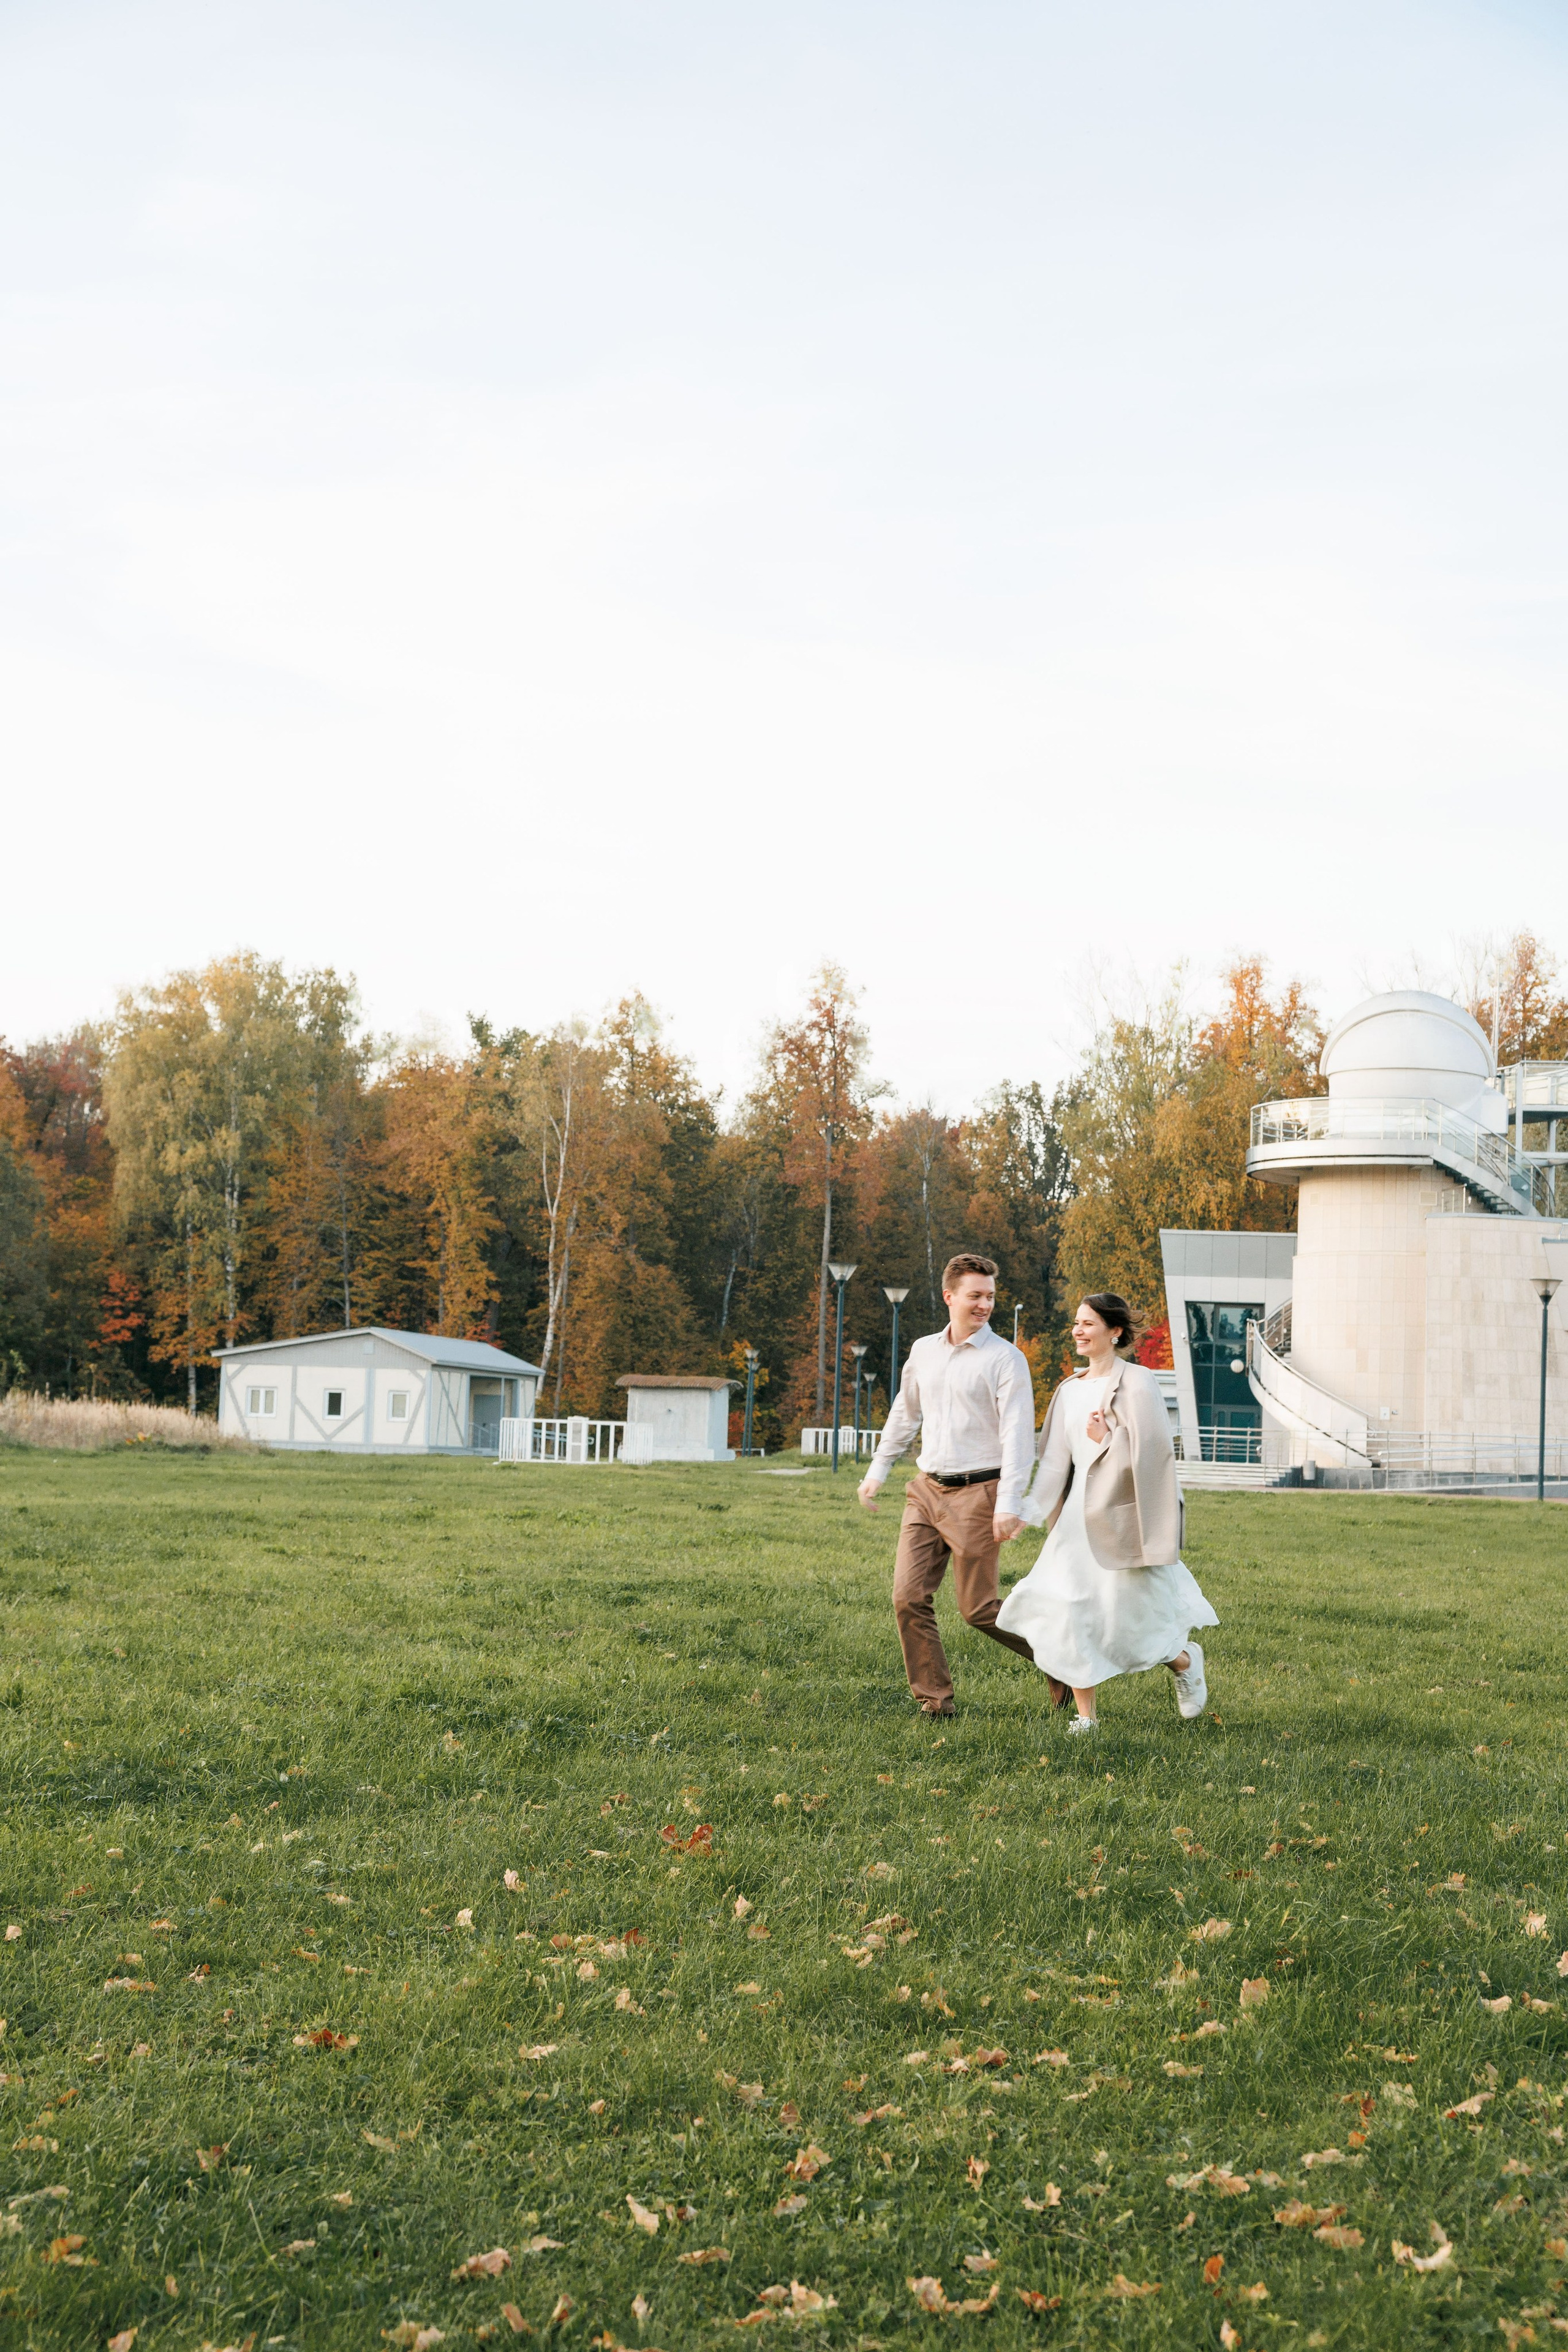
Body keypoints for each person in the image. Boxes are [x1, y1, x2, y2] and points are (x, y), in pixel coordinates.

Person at [997, 1292, 1216, 1735]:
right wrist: (1028, 1512)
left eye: (1088, 1323)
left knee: (1134, 1617)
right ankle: (1087, 1718)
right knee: (1069, 1609)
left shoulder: (1138, 1382)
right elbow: (1056, 1463)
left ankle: (1186, 1662)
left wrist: (1105, 1440)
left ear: (1114, 1332)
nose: (1078, 1331)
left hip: (1122, 1518)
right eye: (1076, 1323)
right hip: (1076, 1521)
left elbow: (1154, 1456)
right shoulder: (1067, 1390)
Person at [858, 1253, 1064, 1717]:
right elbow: (905, 1414)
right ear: (950, 1297)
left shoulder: (1006, 1360)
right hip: (927, 1491)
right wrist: (878, 1471)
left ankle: (1062, 1659)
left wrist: (1007, 1503)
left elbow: (1017, 1437)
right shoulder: (923, 1351)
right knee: (908, 1598)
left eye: (990, 1296)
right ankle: (935, 1702)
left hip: (980, 1494)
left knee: (979, 1610)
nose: (985, 1305)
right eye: (976, 1296)